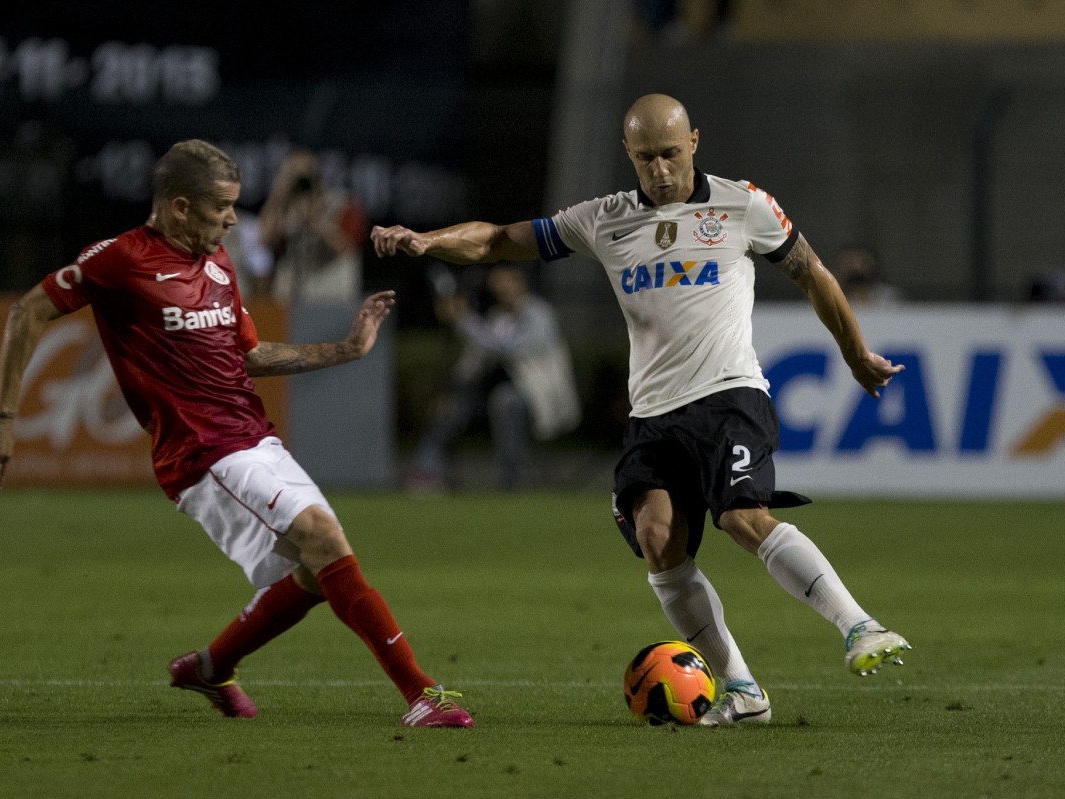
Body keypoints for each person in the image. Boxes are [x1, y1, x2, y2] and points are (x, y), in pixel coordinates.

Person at [372, 94, 912, 726]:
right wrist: (425, 241)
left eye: (672, 154)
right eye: (647, 157)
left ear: (695, 143)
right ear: (628, 155)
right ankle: (742, 690)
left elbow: (814, 274)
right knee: (658, 542)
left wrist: (855, 354)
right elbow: (496, 241)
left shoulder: (743, 205)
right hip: (653, 415)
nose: (660, 170)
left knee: (742, 518)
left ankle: (859, 626)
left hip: (729, 394)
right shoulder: (602, 219)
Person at [0, 139, 472, 728]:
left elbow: (249, 356)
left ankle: (210, 667)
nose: (234, 218)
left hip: (254, 438)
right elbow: (26, 311)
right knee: (323, 538)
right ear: (179, 207)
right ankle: (421, 694)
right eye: (222, 206)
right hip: (200, 453)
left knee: (315, 571)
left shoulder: (219, 263)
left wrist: (347, 348)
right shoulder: (122, 259)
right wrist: (4, 418)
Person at [408, 262, 581, 492]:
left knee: (505, 401)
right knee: (451, 406)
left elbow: (506, 348)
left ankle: (511, 478)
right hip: (492, 394)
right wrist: (451, 391)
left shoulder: (539, 314)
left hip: (538, 397)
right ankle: (427, 471)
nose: (501, 289)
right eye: (497, 284)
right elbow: (475, 360)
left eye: (505, 282)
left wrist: (463, 319)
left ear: (520, 281)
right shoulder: (496, 317)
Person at [257, 149, 368, 305]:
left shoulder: (342, 203)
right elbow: (262, 241)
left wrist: (314, 219)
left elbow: (347, 249)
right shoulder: (285, 207)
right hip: (294, 293)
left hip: (331, 288)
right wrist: (279, 194)